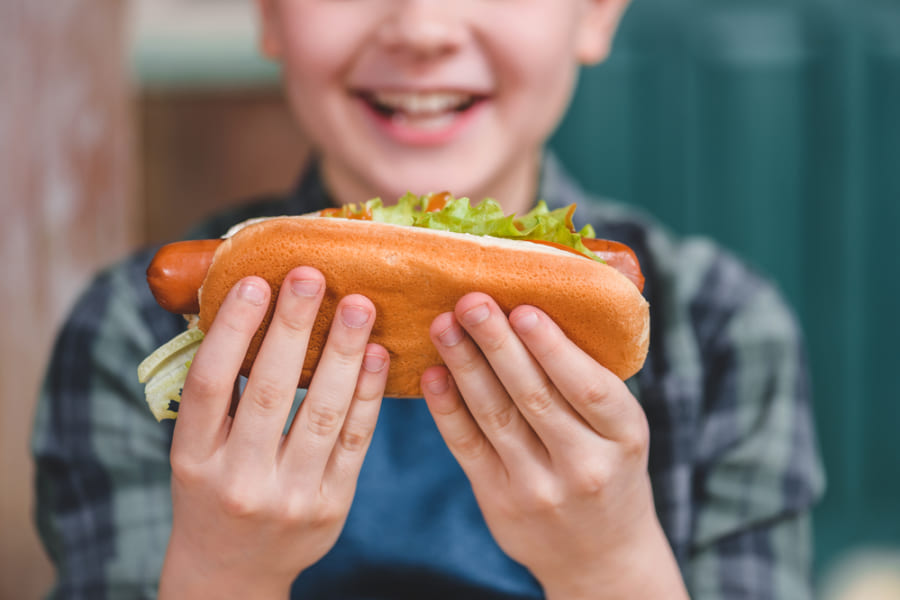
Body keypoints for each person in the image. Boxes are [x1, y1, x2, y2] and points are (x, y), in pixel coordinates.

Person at [32, 0, 825, 598]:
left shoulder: (719, 327)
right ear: (268, 13)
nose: (421, 28)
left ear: (596, 12)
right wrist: (222, 567)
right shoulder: (131, 332)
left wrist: (610, 561)